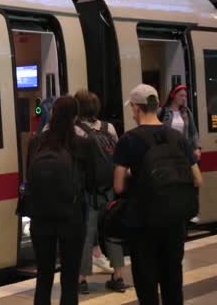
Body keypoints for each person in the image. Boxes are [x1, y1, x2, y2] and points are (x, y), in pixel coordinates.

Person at [113, 84, 203, 305]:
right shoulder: (177, 137)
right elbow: (198, 179)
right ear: (156, 106)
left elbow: (118, 186)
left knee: (146, 282)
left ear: (136, 108)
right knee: (173, 279)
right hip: (174, 221)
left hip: (142, 222)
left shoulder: (129, 140)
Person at [26, 95, 91, 305]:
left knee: (43, 276)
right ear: (75, 118)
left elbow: (29, 176)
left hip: (41, 218)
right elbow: (93, 179)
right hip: (71, 218)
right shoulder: (81, 144)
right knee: (70, 279)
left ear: (52, 114)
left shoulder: (36, 142)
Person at [74, 90, 127, 294]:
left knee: (86, 234)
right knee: (112, 232)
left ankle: (81, 280)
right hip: (109, 190)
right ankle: (118, 276)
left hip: (87, 192)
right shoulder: (109, 128)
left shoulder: (75, 130)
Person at [158, 84, 201, 161]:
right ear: (173, 95)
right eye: (181, 95)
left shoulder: (186, 112)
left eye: (185, 96)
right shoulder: (162, 111)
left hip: (184, 151)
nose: (184, 98)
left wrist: (197, 148)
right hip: (167, 152)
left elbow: (193, 131)